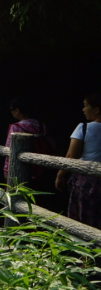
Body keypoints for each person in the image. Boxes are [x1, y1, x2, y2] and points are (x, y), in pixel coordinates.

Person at [4, 96, 60, 211]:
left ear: (17, 110)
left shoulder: (16, 127)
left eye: (12, 110)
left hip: (20, 171)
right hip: (40, 169)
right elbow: (52, 144)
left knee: (18, 199)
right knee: (37, 200)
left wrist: (6, 171)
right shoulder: (40, 125)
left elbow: (8, 151)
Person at [56, 93, 101, 230]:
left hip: (86, 182)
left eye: (86, 106)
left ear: (97, 109)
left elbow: (71, 156)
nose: (83, 109)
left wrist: (60, 175)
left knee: (83, 221)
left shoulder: (83, 128)